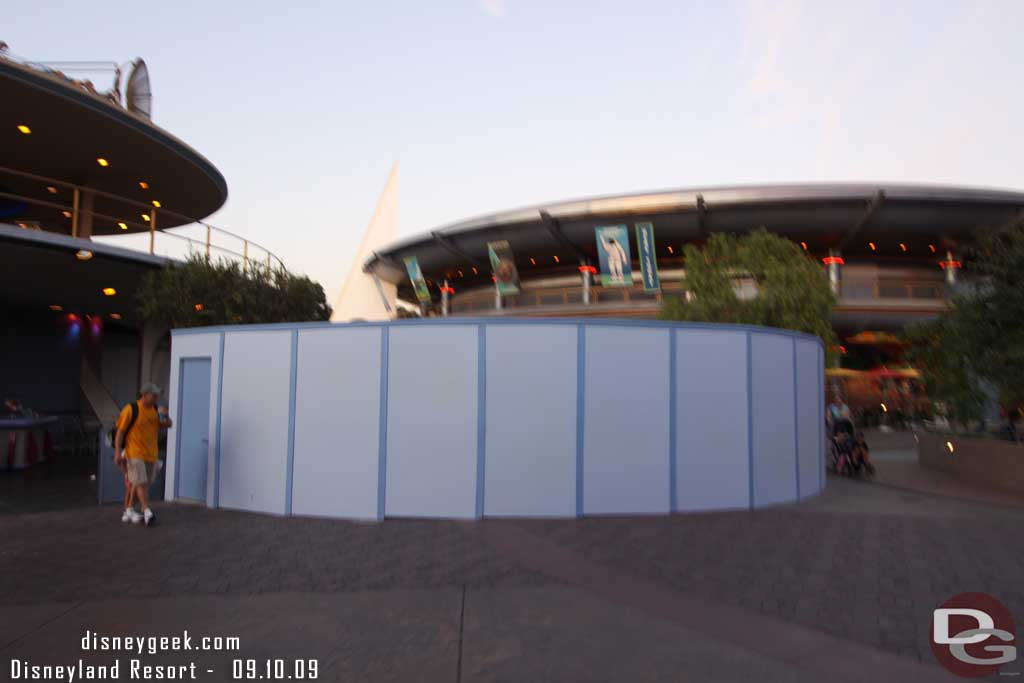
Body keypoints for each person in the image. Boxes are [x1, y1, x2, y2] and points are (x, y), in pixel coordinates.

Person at [114, 383, 171, 526]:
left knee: (141, 484)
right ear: (145, 395)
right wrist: (117, 452)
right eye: (154, 395)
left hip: (151, 453)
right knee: (140, 482)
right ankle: (147, 511)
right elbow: (120, 431)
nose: (156, 398)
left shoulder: (156, 410)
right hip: (134, 452)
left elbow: (166, 425)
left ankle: (129, 509)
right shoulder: (131, 409)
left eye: (157, 395)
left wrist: (165, 417)